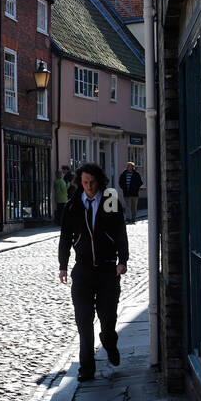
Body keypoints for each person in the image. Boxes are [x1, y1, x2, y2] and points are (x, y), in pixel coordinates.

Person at [58, 162, 129, 382]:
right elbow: (65, 238)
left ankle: (109, 342)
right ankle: (86, 369)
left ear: (99, 181)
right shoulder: (73, 206)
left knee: (108, 318)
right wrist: (63, 265)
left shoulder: (109, 201)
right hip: (83, 271)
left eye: (92, 182)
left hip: (108, 269)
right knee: (83, 321)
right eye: (85, 182)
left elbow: (120, 232)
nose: (89, 187)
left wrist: (122, 259)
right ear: (80, 182)